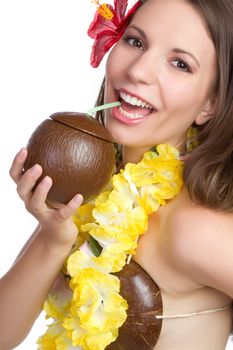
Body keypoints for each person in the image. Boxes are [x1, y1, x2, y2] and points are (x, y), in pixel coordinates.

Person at [1, 0, 233, 349]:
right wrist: (54, 236)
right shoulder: (98, 187)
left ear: (209, 103)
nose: (139, 71)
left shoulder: (192, 226)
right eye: (136, 41)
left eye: (180, 64)